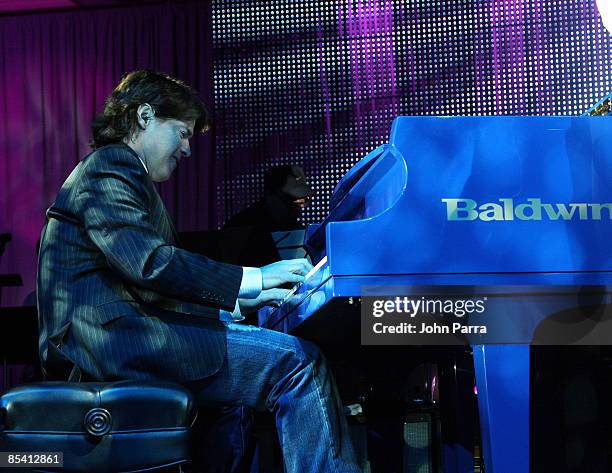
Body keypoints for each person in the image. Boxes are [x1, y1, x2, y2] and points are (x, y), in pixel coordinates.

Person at [36, 70, 360, 473]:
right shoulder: (112, 165)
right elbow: (149, 263)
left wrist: (241, 303)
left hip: (123, 334)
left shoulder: (123, 176)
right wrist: (253, 277)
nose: (187, 148)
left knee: (244, 397)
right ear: (145, 116)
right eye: (183, 132)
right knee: (297, 363)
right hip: (113, 341)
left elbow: (150, 283)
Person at [225, 164, 312, 232]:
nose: (296, 208)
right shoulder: (240, 226)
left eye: (302, 201)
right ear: (270, 196)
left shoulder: (295, 228)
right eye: (288, 199)